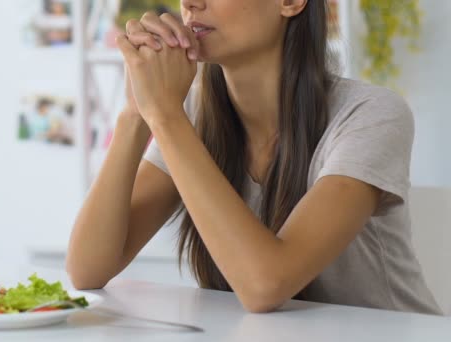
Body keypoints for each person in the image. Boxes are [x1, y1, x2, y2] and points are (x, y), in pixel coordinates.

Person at [66, 0, 442, 315]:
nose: (191, 4)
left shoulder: (371, 114)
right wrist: (137, 112)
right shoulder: (191, 118)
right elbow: (87, 270)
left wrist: (164, 115)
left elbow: (266, 285)